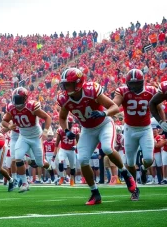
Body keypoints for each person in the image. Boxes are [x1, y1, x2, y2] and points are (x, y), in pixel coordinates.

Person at [57, 68, 136, 205]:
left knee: (107, 148)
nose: (65, 87)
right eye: (64, 84)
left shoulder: (91, 90)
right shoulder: (64, 98)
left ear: (78, 83)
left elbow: (114, 107)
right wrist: (66, 130)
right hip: (87, 129)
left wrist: (104, 113)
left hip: (104, 124)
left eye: (68, 84)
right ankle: (95, 193)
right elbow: (62, 117)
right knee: (82, 160)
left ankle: (125, 173)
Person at [113, 69, 163, 200]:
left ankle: (143, 167)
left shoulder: (151, 91)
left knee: (149, 160)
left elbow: (159, 108)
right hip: (129, 129)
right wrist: (110, 110)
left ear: (142, 82)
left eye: (137, 83)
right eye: (132, 84)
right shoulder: (123, 91)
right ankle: (134, 189)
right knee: (129, 163)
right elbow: (115, 104)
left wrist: (163, 123)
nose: (134, 86)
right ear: (128, 83)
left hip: (145, 129)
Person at [2, 87, 52, 193]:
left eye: (19, 99)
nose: (17, 101)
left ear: (25, 99)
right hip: (23, 136)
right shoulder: (11, 108)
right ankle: (25, 183)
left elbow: (47, 117)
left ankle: (50, 167)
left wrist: (45, 131)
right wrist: (9, 125)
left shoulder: (32, 106)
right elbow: (4, 121)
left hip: (36, 137)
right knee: (18, 158)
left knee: (40, 163)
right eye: (15, 99)